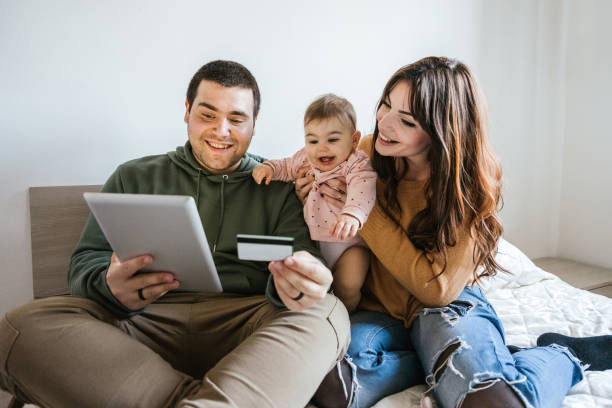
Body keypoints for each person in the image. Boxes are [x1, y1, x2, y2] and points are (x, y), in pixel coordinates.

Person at [0, 60, 350, 408]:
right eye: (208, 115)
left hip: (247, 323)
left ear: (254, 125)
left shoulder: (280, 187)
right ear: (187, 112)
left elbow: (304, 262)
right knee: (17, 327)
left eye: (237, 119)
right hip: (142, 323)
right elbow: (84, 263)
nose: (221, 131)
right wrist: (109, 285)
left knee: (329, 314)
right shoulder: (133, 177)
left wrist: (301, 283)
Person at [304, 57, 612, 408]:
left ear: (440, 130)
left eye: (405, 120)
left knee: (494, 403)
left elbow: (438, 289)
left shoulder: (470, 184)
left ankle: (562, 354)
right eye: (385, 105)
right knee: (328, 384)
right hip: (378, 311)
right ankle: (442, 368)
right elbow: (309, 168)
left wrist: (367, 216)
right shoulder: (365, 154)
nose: (384, 124)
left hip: (443, 308)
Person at [252, 94, 377, 312]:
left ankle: (345, 313)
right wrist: (270, 168)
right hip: (315, 243)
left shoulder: (356, 164)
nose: (321, 148)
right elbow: (287, 166)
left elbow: (363, 189)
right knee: (313, 281)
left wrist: (352, 214)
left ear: (354, 140)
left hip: (350, 245)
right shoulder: (305, 158)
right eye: (313, 140)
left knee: (348, 283)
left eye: (332, 140)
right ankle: (321, 312)